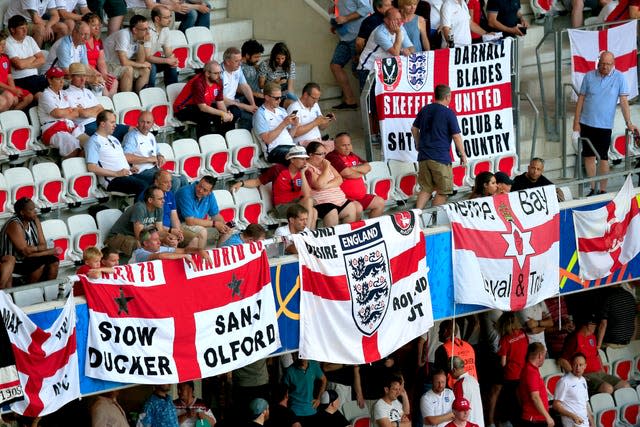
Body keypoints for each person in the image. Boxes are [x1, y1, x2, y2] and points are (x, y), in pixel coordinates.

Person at [574, 51, 637, 196]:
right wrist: (576, 122)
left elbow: (624, 102)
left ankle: (602, 189)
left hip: (604, 125)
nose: (605, 67)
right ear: (598, 62)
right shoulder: (589, 76)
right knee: (588, 156)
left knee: (603, 157)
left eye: (608, 64)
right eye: (602, 63)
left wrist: (629, 122)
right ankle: (592, 187)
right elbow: (581, 99)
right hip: (586, 123)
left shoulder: (619, 78)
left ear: (613, 64)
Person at [230, 146, 318, 228]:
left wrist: (302, 173)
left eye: (306, 159)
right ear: (292, 160)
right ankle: (307, 234)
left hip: (298, 204)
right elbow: (257, 181)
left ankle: (308, 236)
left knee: (314, 210)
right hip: (282, 207)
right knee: (310, 204)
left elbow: (307, 194)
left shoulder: (306, 173)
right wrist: (241, 183)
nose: (305, 162)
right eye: (302, 159)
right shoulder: (277, 169)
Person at [412, 84, 467, 208]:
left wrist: (418, 144)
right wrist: (463, 154)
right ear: (448, 97)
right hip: (440, 158)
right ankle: (433, 219)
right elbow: (456, 136)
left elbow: (414, 129)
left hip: (423, 157)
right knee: (443, 191)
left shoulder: (425, 109)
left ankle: (417, 215)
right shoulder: (448, 113)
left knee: (426, 188)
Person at [558, 313, 630, 395]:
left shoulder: (592, 336)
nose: (596, 326)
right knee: (608, 388)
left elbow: (596, 354)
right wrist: (577, 377)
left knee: (625, 385)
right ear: (587, 325)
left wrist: (602, 370)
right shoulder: (574, 338)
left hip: (600, 373)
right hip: (587, 375)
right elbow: (562, 360)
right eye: (594, 324)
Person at [85, 110, 148, 195]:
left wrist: (129, 168)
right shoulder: (94, 141)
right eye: (112, 122)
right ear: (102, 124)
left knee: (153, 182)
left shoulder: (114, 139)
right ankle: (139, 208)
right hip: (112, 180)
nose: (115, 125)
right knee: (143, 186)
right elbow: (92, 167)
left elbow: (118, 159)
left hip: (126, 175)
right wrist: (116, 173)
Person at [0, 197, 60, 284]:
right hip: (16, 262)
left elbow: (43, 244)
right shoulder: (14, 224)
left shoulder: (35, 220)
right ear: (22, 212)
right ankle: (28, 291)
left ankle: (48, 290)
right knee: (38, 264)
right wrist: (48, 251)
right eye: (31, 209)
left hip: (32, 257)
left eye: (34, 208)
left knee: (54, 262)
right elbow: (25, 252)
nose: (35, 211)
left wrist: (44, 251)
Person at [327, 132, 385, 218]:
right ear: (335, 146)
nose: (347, 148)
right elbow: (346, 173)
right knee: (358, 208)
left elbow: (368, 167)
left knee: (380, 202)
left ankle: (371, 227)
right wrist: (360, 172)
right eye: (344, 145)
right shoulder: (332, 156)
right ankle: (358, 230)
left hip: (361, 196)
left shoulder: (351, 154)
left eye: (349, 144)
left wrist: (352, 168)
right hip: (345, 198)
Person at [64, 62, 129, 140]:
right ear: (71, 77)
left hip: (101, 122)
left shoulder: (88, 92)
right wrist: (93, 110)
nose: (82, 79)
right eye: (78, 76)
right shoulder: (67, 94)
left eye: (84, 75)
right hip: (86, 126)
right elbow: (83, 114)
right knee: (108, 138)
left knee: (131, 130)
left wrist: (88, 111)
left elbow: (101, 109)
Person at [123, 111, 186, 190]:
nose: (145, 125)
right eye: (142, 122)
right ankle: (166, 202)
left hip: (155, 169)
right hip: (141, 171)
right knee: (174, 181)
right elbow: (126, 157)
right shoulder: (132, 136)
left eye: (148, 122)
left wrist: (160, 156)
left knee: (183, 178)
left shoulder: (151, 136)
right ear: (138, 122)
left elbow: (157, 152)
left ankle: (179, 202)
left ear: (153, 124)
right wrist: (148, 159)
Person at [173, 60, 236, 138]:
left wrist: (226, 114)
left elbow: (220, 102)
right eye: (216, 73)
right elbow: (202, 107)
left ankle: (224, 142)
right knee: (206, 117)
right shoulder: (198, 83)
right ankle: (205, 143)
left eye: (220, 72)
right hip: (183, 109)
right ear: (207, 73)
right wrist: (222, 114)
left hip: (200, 106)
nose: (219, 75)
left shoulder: (219, 81)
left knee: (231, 115)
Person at [105, 185, 172, 256]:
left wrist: (170, 236)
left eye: (163, 198)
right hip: (116, 237)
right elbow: (140, 236)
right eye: (160, 199)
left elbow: (159, 230)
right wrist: (161, 240)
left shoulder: (159, 207)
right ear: (150, 200)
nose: (163, 201)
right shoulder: (140, 208)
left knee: (166, 241)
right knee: (140, 244)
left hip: (133, 236)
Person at [357, 7, 415, 89]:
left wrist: (407, 51)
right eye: (395, 19)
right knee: (369, 99)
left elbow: (411, 47)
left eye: (400, 19)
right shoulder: (380, 32)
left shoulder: (401, 28)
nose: (399, 22)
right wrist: (398, 33)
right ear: (386, 20)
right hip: (368, 68)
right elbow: (395, 53)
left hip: (383, 68)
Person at [304, 141, 359, 226]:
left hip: (338, 200)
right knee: (332, 211)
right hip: (322, 202)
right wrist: (326, 169)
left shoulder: (326, 163)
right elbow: (318, 185)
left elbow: (339, 179)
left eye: (324, 153)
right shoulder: (308, 168)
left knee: (351, 207)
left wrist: (325, 185)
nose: (323, 157)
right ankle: (331, 239)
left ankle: (344, 236)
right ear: (310, 155)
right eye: (320, 154)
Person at [330, 0, 372, 110]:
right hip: (344, 36)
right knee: (335, 65)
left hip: (359, 37)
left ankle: (368, 108)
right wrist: (336, 25)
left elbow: (367, 8)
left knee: (359, 72)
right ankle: (350, 100)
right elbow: (342, 10)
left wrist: (346, 18)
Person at [37, 66, 86, 159]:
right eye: (58, 79)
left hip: (68, 125)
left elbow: (76, 113)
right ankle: (66, 168)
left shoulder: (64, 93)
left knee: (89, 144)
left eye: (62, 78)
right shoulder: (45, 95)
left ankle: (79, 169)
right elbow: (57, 113)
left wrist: (65, 111)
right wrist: (68, 110)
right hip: (52, 129)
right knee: (73, 145)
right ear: (50, 80)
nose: (62, 82)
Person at [148, 169, 202, 249]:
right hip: (157, 231)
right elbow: (152, 225)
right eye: (166, 182)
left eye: (170, 182)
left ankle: (191, 260)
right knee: (172, 240)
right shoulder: (150, 197)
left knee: (195, 239)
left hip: (170, 229)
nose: (170, 185)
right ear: (156, 182)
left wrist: (178, 231)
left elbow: (174, 217)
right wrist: (171, 231)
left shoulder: (170, 194)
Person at [175, 175, 233, 247]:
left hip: (196, 225)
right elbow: (189, 221)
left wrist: (224, 226)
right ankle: (200, 254)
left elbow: (215, 215)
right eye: (199, 186)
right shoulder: (185, 192)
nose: (200, 190)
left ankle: (217, 254)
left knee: (227, 232)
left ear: (209, 192)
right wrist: (215, 224)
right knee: (202, 232)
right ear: (198, 183)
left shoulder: (210, 196)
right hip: (179, 225)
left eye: (205, 190)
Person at [252, 82, 300, 164]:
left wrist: (295, 126)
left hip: (290, 146)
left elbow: (289, 136)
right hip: (274, 150)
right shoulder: (260, 114)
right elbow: (267, 139)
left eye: (280, 97)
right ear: (267, 97)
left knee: (310, 154)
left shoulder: (282, 110)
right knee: (297, 157)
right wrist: (283, 124)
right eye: (276, 98)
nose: (280, 100)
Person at [103, 14, 152, 93]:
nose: (148, 32)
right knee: (128, 69)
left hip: (118, 65)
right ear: (135, 30)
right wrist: (142, 64)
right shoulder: (123, 35)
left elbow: (141, 61)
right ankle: (127, 100)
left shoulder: (138, 37)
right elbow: (124, 62)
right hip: (108, 64)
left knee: (145, 70)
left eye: (148, 29)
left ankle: (140, 97)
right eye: (145, 29)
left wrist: (142, 42)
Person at [496, 312, 528, 426]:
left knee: (509, 401)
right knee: (521, 400)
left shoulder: (505, 340)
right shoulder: (523, 334)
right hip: (523, 372)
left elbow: (503, 362)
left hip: (511, 375)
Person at [5, 15, 48, 96]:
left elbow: (42, 59)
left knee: (54, 84)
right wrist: (33, 57)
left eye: (26, 27)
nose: (25, 31)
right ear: (12, 30)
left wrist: (25, 64)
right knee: (44, 94)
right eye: (21, 28)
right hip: (20, 80)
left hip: (35, 78)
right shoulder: (7, 43)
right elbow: (19, 65)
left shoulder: (29, 39)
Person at [287, 82, 336, 149]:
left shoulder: (315, 105)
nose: (316, 101)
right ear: (305, 95)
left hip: (318, 143)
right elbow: (295, 133)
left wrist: (327, 120)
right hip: (302, 146)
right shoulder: (294, 108)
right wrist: (315, 123)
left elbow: (321, 127)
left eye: (318, 98)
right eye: (314, 98)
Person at [552, 353, 595, 427]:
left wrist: (592, 422)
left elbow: (584, 403)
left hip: (584, 423)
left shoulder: (583, 380)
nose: (578, 368)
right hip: (572, 423)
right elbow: (556, 405)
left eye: (580, 365)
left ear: (585, 366)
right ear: (571, 365)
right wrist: (573, 416)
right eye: (575, 364)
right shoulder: (564, 381)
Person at [3, 0, 68, 47]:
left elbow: (56, 16)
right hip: (16, 24)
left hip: (33, 22)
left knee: (62, 27)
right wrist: (47, 26)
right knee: (40, 28)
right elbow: (36, 19)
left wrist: (48, 26)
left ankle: (54, 57)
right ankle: (36, 57)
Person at [222, 46, 258, 130]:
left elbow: (245, 86)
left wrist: (253, 104)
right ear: (227, 62)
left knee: (258, 105)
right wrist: (245, 106)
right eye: (236, 61)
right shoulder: (219, 73)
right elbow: (220, 99)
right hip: (222, 104)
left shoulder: (237, 69)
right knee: (239, 113)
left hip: (233, 101)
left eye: (240, 60)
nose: (240, 64)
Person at [517, 343, 553, 427]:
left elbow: (518, 392)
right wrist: (548, 417)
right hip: (535, 419)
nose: (544, 358)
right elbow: (535, 397)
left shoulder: (530, 369)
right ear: (540, 355)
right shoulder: (531, 372)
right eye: (544, 355)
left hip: (535, 417)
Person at [282, 355, 327, 422]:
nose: (301, 358)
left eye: (303, 356)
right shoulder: (289, 371)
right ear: (294, 356)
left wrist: (318, 398)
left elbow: (324, 379)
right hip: (295, 411)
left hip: (311, 409)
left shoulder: (313, 365)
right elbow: (283, 392)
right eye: (298, 356)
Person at [83, 13, 118, 97]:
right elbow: (84, 63)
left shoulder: (98, 41)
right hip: (85, 70)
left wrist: (105, 74)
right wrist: (101, 75)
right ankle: (106, 105)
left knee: (114, 81)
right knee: (102, 82)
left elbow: (101, 61)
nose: (97, 28)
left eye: (98, 25)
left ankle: (111, 105)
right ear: (86, 26)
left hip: (96, 71)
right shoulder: (81, 41)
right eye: (93, 25)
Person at [434, 320, 477, 385]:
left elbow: (440, 376)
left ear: (445, 331)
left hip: (454, 389)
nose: (438, 332)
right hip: (472, 385)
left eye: (440, 329)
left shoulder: (442, 349)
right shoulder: (468, 346)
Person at [146, 5, 179, 87]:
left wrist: (173, 60)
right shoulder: (147, 30)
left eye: (170, 16)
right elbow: (147, 57)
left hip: (150, 60)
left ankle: (172, 90)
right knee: (151, 67)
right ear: (157, 19)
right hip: (137, 61)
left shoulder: (165, 29)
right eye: (166, 17)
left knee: (171, 64)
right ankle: (149, 93)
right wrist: (167, 60)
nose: (170, 20)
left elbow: (168, 53)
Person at [597, 284, 637, 349]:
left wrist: (598, 345)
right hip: (627, 343)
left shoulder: (608, 297)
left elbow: (603, 324)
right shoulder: (630, 296)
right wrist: (632, 340)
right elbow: (634, 321)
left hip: (610, 344)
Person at [0, 32, 33, 111]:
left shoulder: (5, 57)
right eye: (1, 45)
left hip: (7, 87)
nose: (3, 47)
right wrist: (12, 90)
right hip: (1, 88)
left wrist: (13, 89)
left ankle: (11, 116)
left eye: (4, 44)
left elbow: (9, 76)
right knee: (10, 97)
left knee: (29, 97)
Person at [258, 42, 297, 106]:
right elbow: (261, 85)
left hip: (285, 92)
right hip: (272, 94)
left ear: (286, 57)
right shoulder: (265, 64)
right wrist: (275, 83)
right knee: (291, 104)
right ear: (273, 57)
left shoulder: (291, 65)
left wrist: (292, 97)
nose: (280, 61)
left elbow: (290, 87)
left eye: (283, 58)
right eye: (277, 59)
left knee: (296, 104)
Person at [449, 357, 483, 427]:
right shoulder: (473, 379)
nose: (449, 374)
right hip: (479, 422)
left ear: (454, 370)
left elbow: (456, 409)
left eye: (449, 371)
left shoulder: (459, 384)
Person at [240, 39, 265, 105]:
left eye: (259, 57)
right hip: (248, 98)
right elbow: (237, 88)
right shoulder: (238, 67)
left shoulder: (252, 64)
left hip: (261, 96)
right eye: (256, 57)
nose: (258, 59)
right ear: (247, 55)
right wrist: (256, 94)